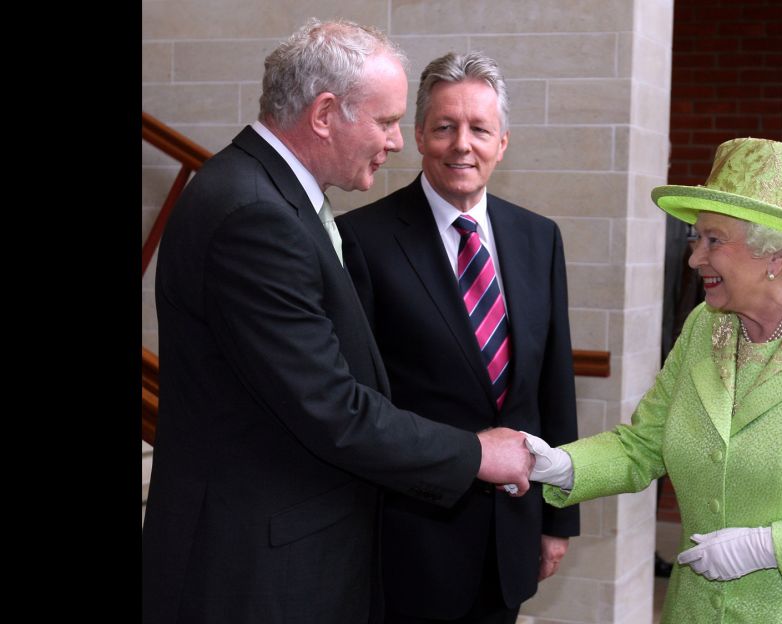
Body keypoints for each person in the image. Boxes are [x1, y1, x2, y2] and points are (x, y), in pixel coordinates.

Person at [142, 21, 535, 624]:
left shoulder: (271, 195)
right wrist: (474, 454)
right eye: (385, 121)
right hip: (257, 570)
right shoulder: (254, 214)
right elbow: (332, 408)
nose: (399, 142)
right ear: (325, 113)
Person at [526, 138, 782, 623]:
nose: (695, 258)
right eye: (696, 239)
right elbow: (645, 444)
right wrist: (560, 465)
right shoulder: (705, 326)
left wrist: (769, 547)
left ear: (775, 254)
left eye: (713, 240)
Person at [337, 51, 579, 623]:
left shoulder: (538, 239)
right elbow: (358, 401)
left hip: (511, 534)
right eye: (445, 127)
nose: (461, 144)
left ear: (503, 142)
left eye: (479, 129)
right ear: (419, 134)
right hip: (408, 541)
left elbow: (554, 386)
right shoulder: (362, 241)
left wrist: (557, 519)